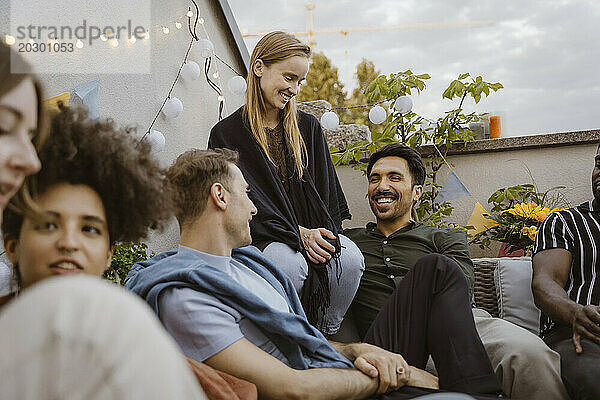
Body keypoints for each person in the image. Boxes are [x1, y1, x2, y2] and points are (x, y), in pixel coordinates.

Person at [126, 148, 503, 400]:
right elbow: (292, 387)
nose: (256, 209)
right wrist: (396, 373)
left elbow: (303, 342)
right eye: (247, 193)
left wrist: (357, 348)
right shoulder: (187, 297)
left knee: (437, 268)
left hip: (336, 366)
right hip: (328, 391)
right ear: (221, 196)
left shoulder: (252, 268)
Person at [0, 50, 206, 400]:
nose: (69, 242)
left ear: (111, 252)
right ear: (12, 245)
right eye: (48, 225)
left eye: (90, 229)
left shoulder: (134, 340)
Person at [343, 143, 569, 400]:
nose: (382, 186)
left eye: (394, 177)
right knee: (435, 266)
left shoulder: (444, 237)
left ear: (417, 192)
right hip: (389, 337)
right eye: (375, 179)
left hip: (462, 321)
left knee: (529, 355)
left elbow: (462, 286)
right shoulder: (349, 243)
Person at [208, 31, 364, 333]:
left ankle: (322, 336)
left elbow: (326, 195)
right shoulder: (226, 134)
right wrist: (297, 234)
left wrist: (319, 234)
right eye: (289, 77)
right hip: (260, 237)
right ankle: (281, 339)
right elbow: (233, 206)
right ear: (259, 68)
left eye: (300, 82)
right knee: (288, 262)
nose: (294, 89)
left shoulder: (309, 128)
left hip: (309, 230)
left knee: (350, 258)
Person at [532, 144, 600, 400]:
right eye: (599, 163)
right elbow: (544, 284)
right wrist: (577, 313)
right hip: (579, 336)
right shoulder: (564, 222)